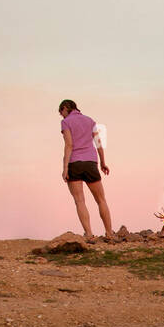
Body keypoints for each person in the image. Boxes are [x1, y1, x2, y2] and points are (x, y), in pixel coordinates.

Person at [59, 99, 115, 240]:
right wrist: (103, 162)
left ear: (65, 108)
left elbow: (69, 145)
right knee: (101, 200)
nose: (62, 116)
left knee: (79, 201)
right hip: (91, 163)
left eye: (62, 113)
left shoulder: (66, 122)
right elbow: (99, 143)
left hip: (75, 163)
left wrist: (65, 168)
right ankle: (109, 233)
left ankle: (89, 234)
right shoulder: (90, 121)